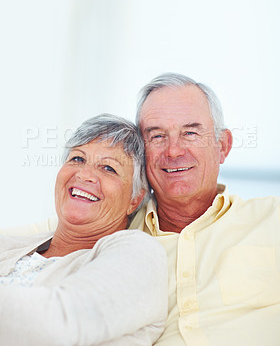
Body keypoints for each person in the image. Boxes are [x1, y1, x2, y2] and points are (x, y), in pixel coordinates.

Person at [2, 73, 280, 345]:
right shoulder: (112, 221)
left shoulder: (272, 219)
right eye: (157, 136)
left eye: (191, 133)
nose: (173, 151)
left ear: (222, 145)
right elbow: (51, 232)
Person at [0, 114, 168, 346]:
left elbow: (53, 326)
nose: (85, 174)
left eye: (109, 168)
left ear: (134, 199)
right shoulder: (9, 245)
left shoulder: (140, 253)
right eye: (77, 159)